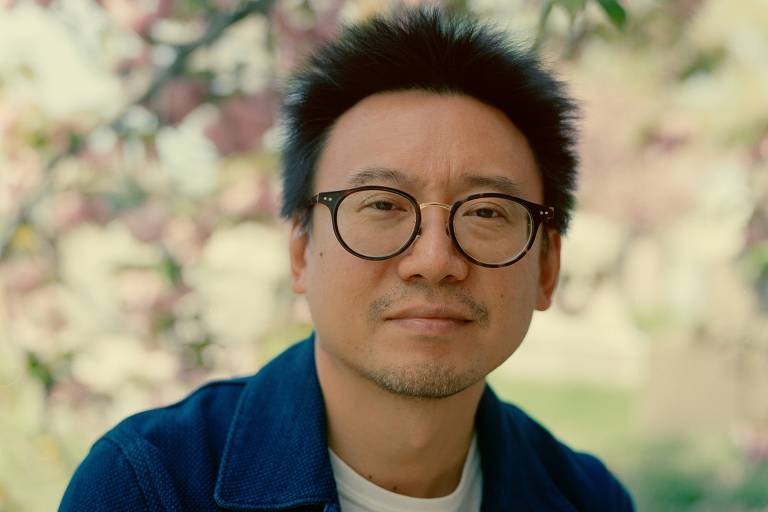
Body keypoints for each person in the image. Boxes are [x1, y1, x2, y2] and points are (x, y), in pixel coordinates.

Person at [60, 6, 635, 511]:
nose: (434, 260)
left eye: (485, 212)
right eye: (382, 204)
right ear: (300, 251)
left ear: (547, 266)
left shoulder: (589, 497)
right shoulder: (150, 486)